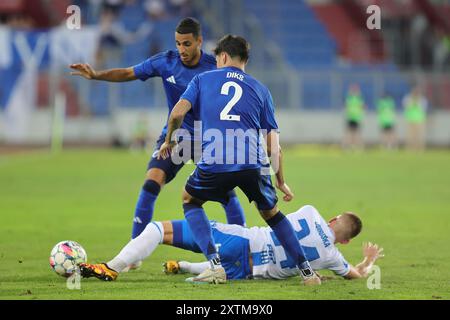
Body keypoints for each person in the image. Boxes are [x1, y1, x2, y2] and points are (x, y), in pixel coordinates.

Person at [70, 18, 246, 269]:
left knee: (226, 193)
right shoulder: (166, 61)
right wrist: (96, 75)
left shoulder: (214, 67)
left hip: (208, 139)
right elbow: (129, 72)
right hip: (176, 137)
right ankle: (134, 252)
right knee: (151, 182)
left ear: (199, 41)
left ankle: (244, 243)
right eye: (178, 43)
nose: (182, 49)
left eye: (187, 43)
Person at [157, 35, 319, 285]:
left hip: (216, 160)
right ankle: (307, 272)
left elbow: (177, 113)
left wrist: (169, 140)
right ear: (244, 59)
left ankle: (214, 265)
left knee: (190, 200)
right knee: (273, 214)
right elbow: (274, 146)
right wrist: (281, 181)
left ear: (222, 57)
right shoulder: (261, 90)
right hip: (253, 163)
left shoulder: (202, 79)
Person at [79, 205, 384, 282]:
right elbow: (354, 275)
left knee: (160, 230)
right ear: (345, 240)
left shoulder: (310, 211)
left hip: (243, 241)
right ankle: (186, 267)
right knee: (214, 266)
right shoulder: (331, 256)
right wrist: (368, 261)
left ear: (332, 219)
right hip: (248, 272)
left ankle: (112, 267)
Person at [402, 86, 428, 151]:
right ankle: (410, 148)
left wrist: (417, 103)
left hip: (420, 120)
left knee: (419, 135)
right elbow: (406, 106)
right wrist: (412, 103)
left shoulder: (422, 99)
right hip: (410, 119)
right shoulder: (408, 98)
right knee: (410, 135)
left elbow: (423, 108)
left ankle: (420, 148)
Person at [343, 84, 365, 150]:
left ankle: (356, 146)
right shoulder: (349, 98)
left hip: (356, 117)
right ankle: (348, 146)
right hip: (351, 117)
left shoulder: (359, 98)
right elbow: (346, 107)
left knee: (356, 133)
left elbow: (362, 107)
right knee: (350, 133)